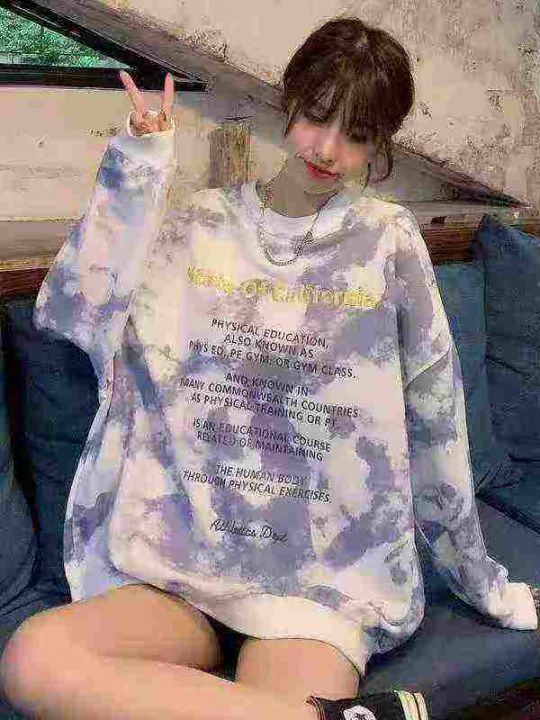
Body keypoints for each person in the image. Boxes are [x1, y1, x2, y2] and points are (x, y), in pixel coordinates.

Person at [1, 15, 539, 720]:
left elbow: (435, 417)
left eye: (357, 134)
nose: (329, 149)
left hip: (320, 584)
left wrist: (480, 578)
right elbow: (78, 306)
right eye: (318, 116)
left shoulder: (386, 241)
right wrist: (138, 165)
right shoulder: (198, 225)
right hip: (183, 566)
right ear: (290, 100)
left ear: (381, 142)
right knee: (32, 659)